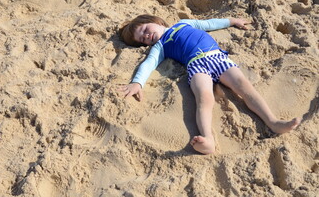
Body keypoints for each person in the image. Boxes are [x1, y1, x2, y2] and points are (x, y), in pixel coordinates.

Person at [118, 14, 301, 154]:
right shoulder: (160, 47)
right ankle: (208, 139)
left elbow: (208, 24)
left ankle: (273, 122)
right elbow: (148, 64)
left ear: (157, 21)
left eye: (145, 29)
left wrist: (231, 20)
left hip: (217, 57)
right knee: (204, 98)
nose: (146, 36)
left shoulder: (184, 24)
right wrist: (137, 83)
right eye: (141, 39)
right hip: (196, 65)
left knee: (244, 87)